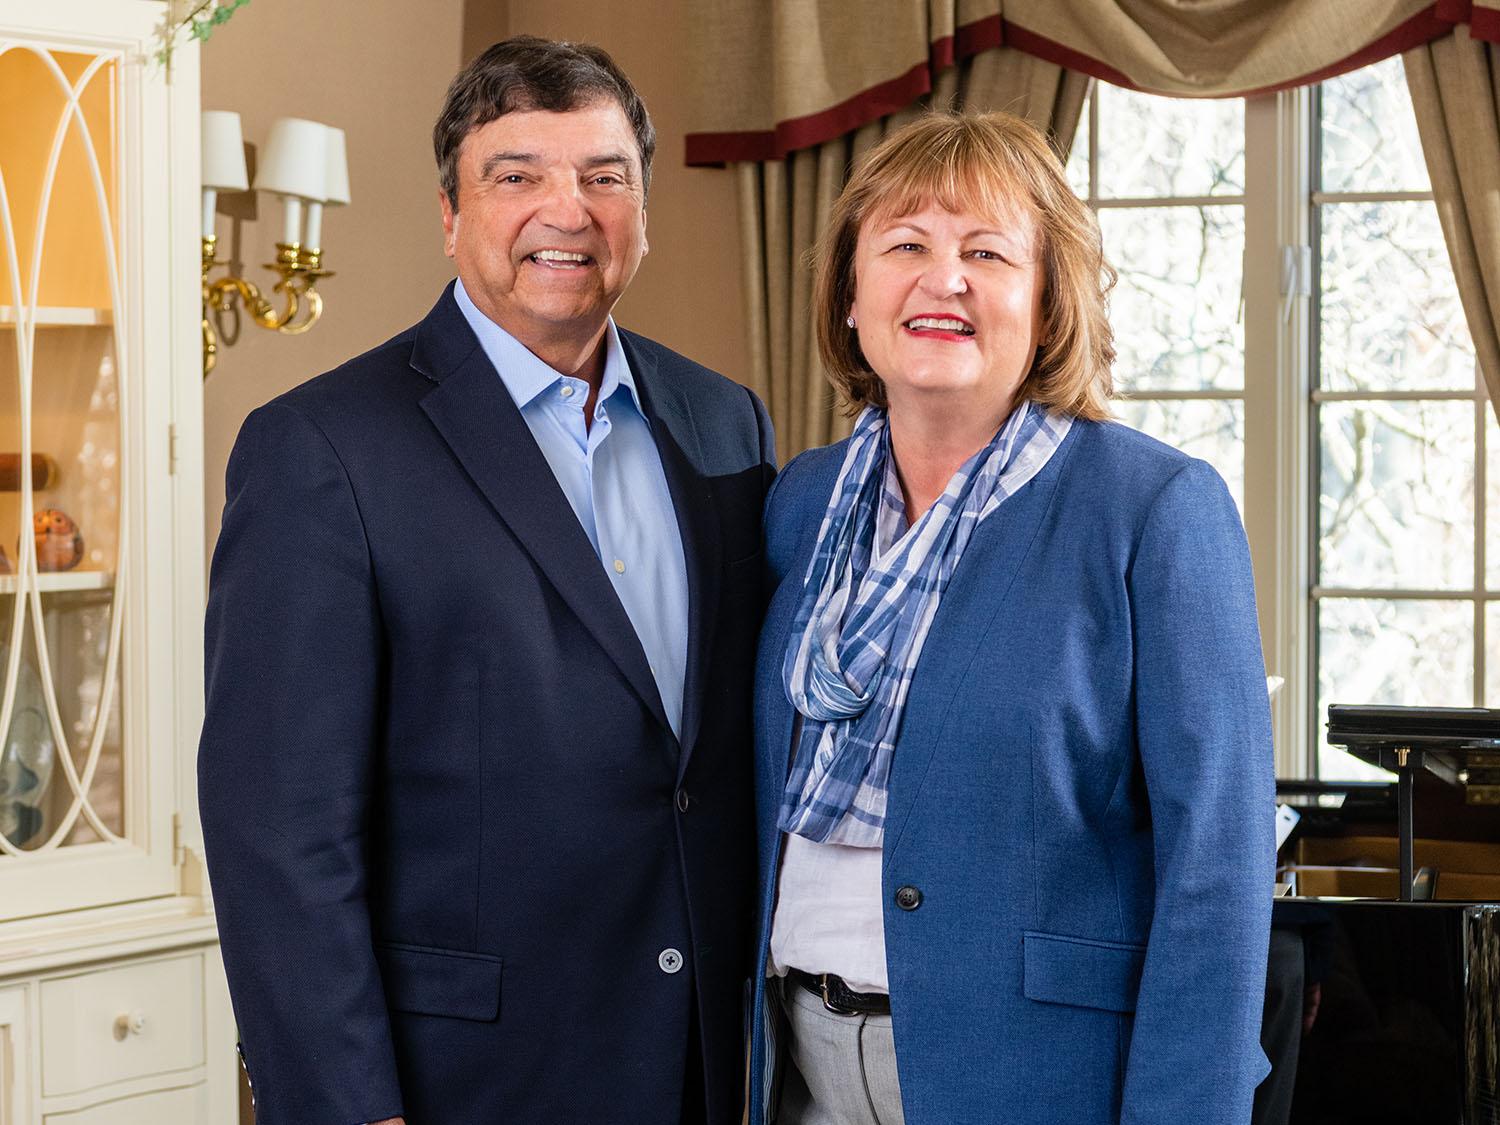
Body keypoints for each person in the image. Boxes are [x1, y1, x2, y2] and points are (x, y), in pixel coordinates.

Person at [199, 36, 774, 1125]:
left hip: (701, 1062)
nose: (568, 210)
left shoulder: (725, 423)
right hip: (461, 1081)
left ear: (643, 213)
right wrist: (347, 1105)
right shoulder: (320, 450)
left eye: (606, 177)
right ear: (451, 215)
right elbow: (277, 833)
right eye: (516, 175)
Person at [747, 111, 1274, 1125]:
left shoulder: (1152, 507)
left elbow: (1217, 866)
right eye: (905, 246)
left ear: (1045, 305)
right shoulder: (798, 506)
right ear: (851, 297)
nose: (943, 279)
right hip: (796, 1072)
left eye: (986, 252)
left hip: (1033, 1079)